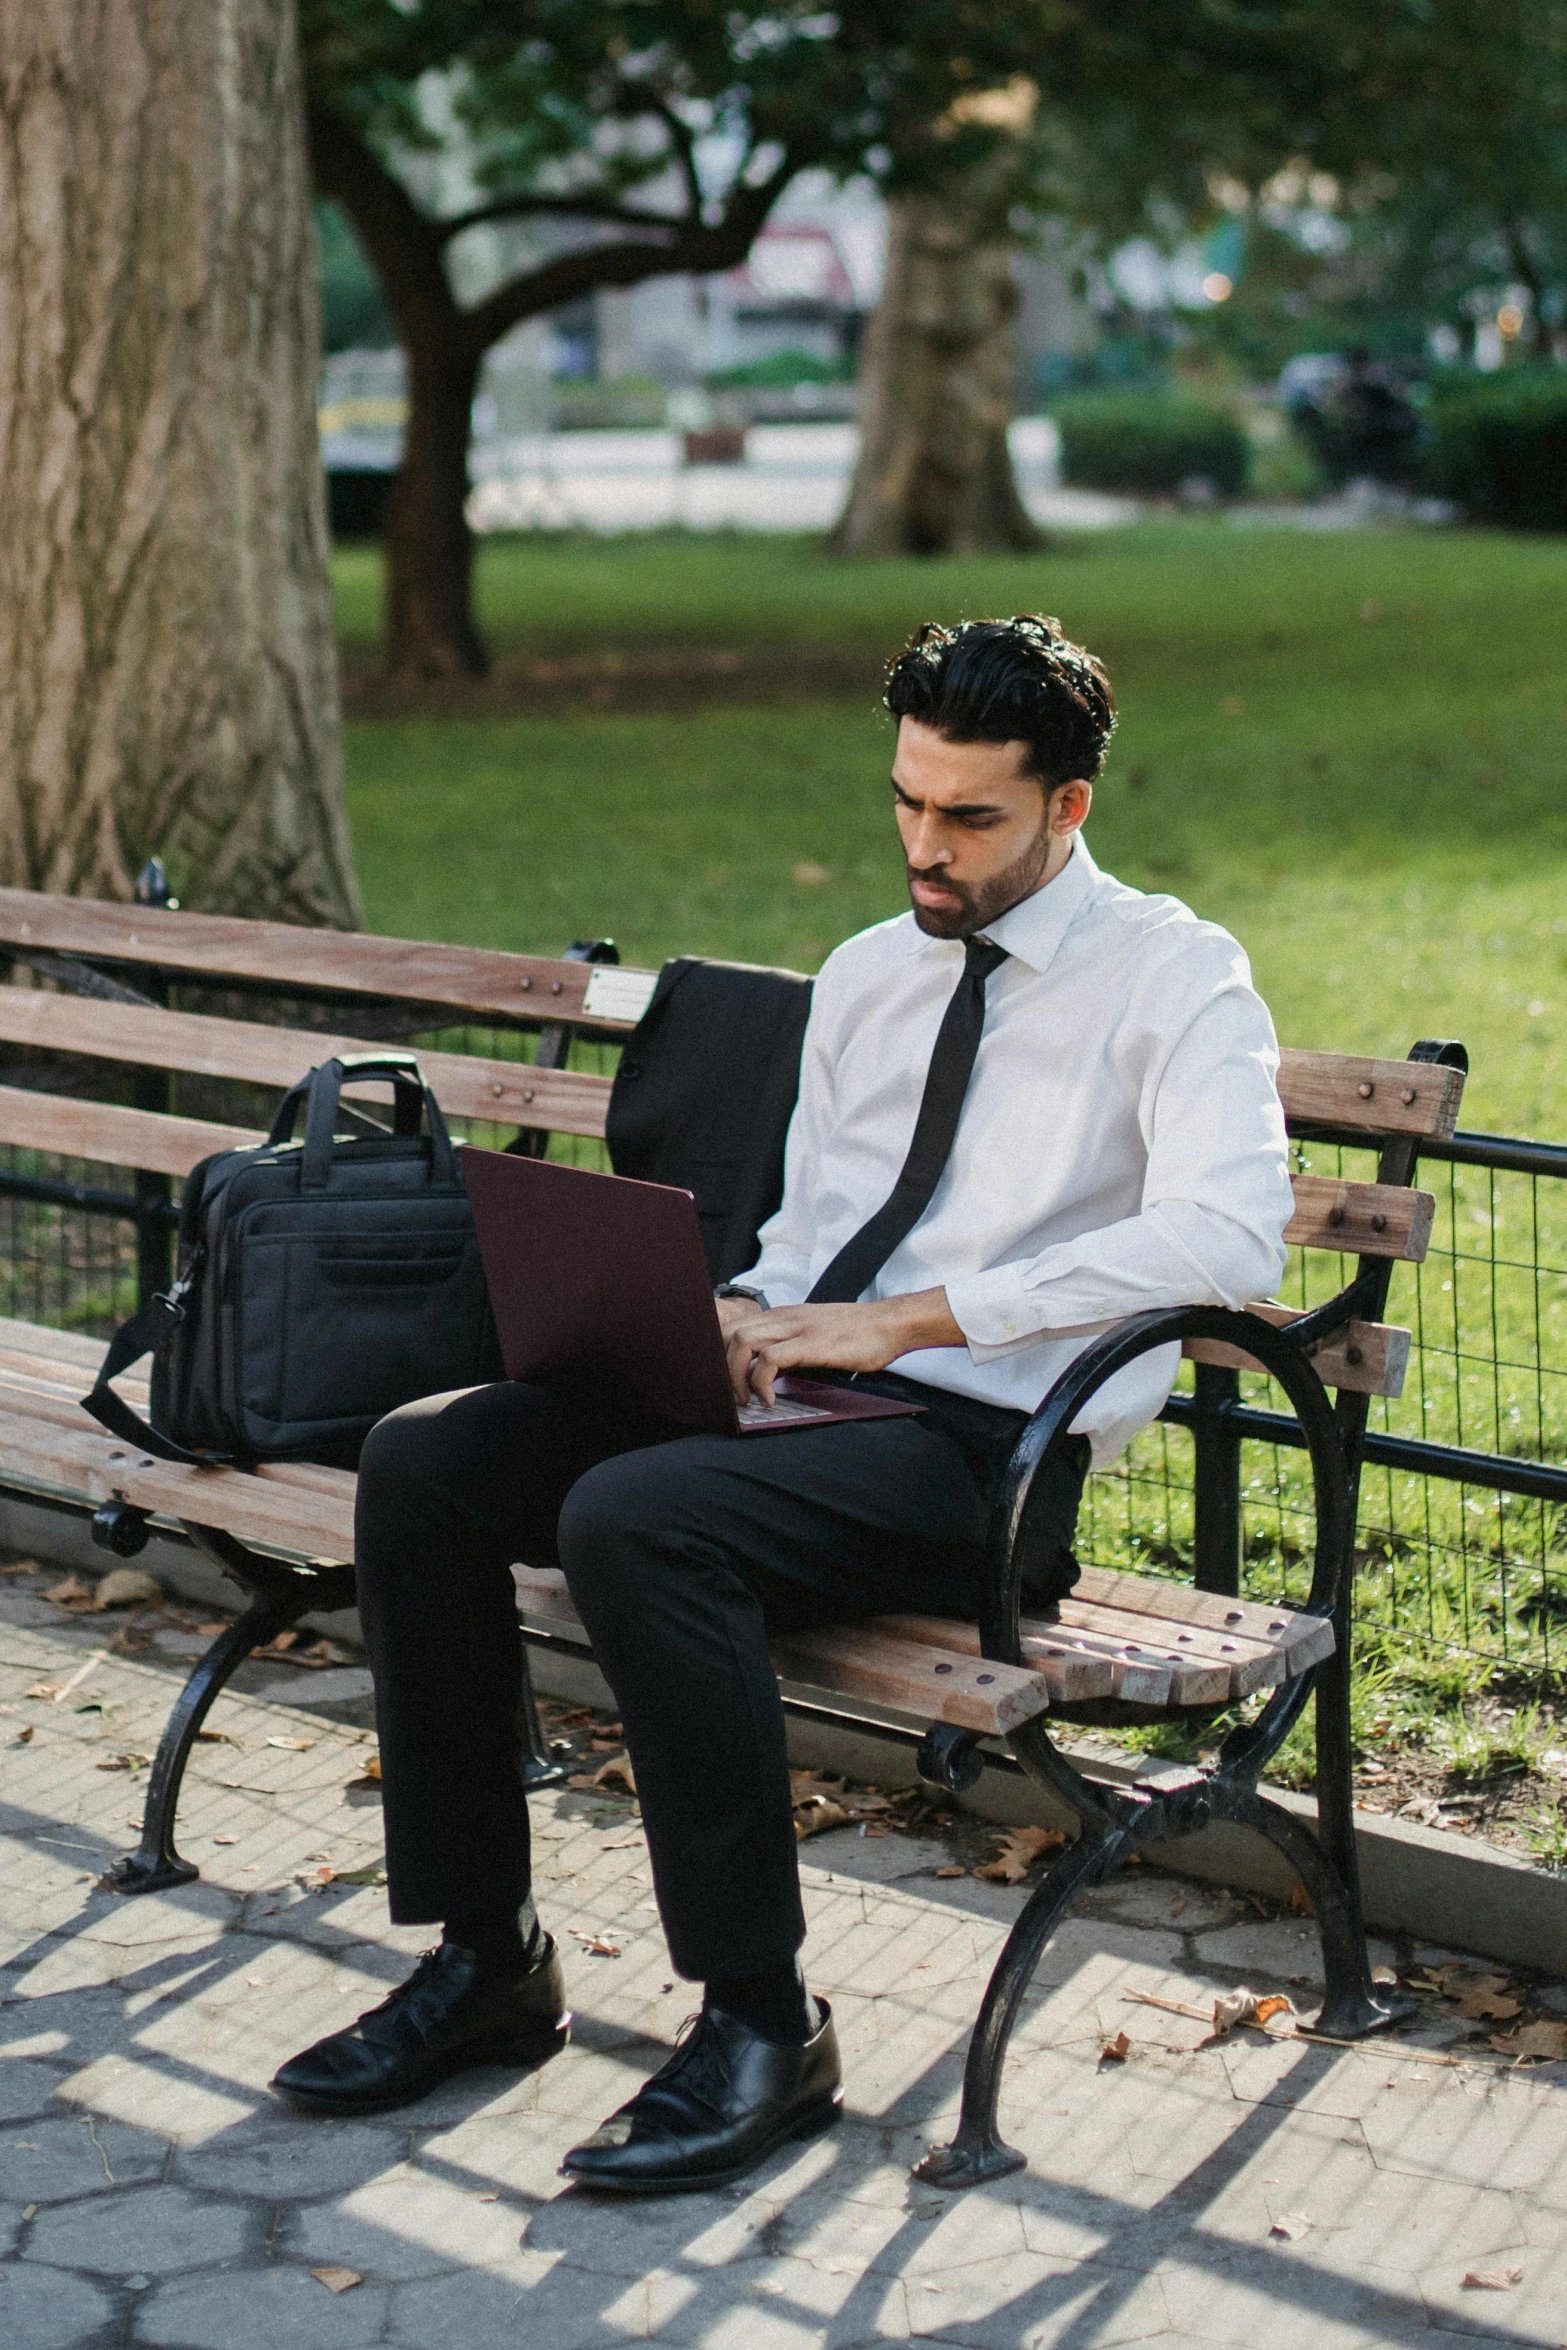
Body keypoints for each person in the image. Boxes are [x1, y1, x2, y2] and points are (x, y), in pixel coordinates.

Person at [272, 615, 1294, 2193]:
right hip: (799, 1408)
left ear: (1068, 806)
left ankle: (760, 2017)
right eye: (905, 802)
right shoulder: (870, 974)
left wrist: (906, 1323)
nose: (924, 849)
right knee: (428, 1460)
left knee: (635, 1516)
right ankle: (487, 1958)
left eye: (970, 818)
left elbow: (1229, 1231)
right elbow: (816, 1228)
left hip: (978, 1464)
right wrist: (738, 1314)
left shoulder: (1174, 975)